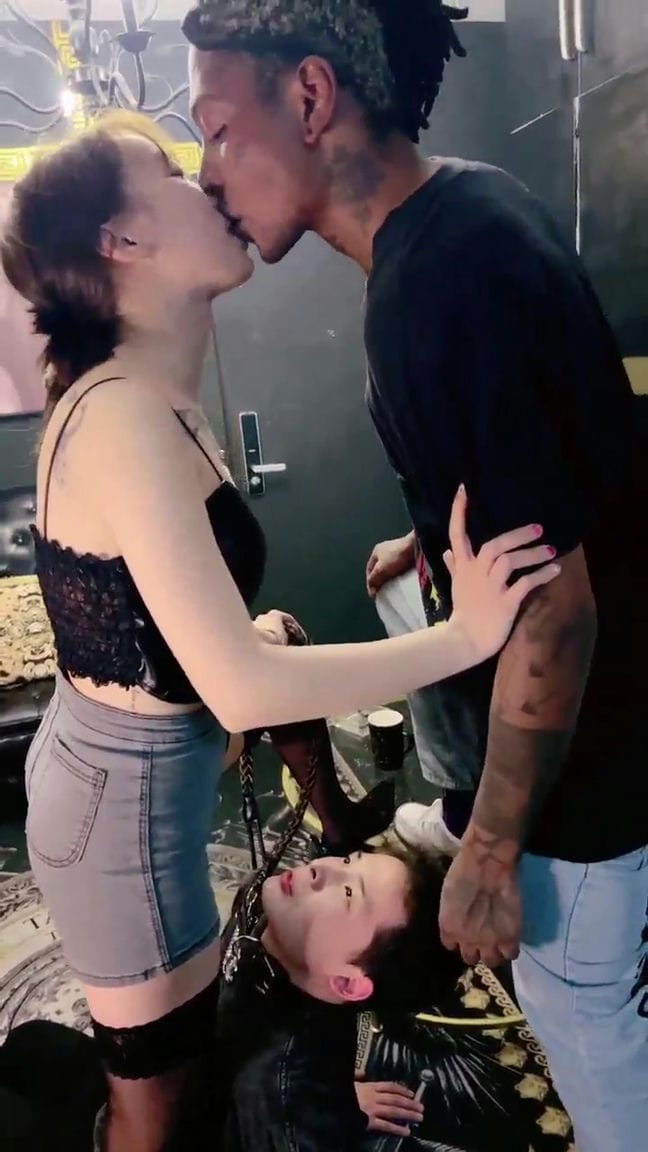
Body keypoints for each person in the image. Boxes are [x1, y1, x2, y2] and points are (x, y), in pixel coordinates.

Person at [0, 111, 556, 1152]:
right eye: (172, 170)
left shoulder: (147, 390)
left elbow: (171, 622)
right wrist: (466, 636)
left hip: (128, 777)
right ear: (122, 240)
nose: (207, 179)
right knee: (155, 1111)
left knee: (189, 1068)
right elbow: (244, 689)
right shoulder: (122, 414)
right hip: (120, 819)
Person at [182, 3, 648, 1149]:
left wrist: (490, 852)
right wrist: (427, 542)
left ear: (309, 97)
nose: (207, 173)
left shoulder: (436, 289)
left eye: (218, 129)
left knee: (596, 1055)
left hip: (585, 783)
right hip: (607, 745)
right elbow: (544, 473)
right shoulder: (470, 209)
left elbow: (556, 612)